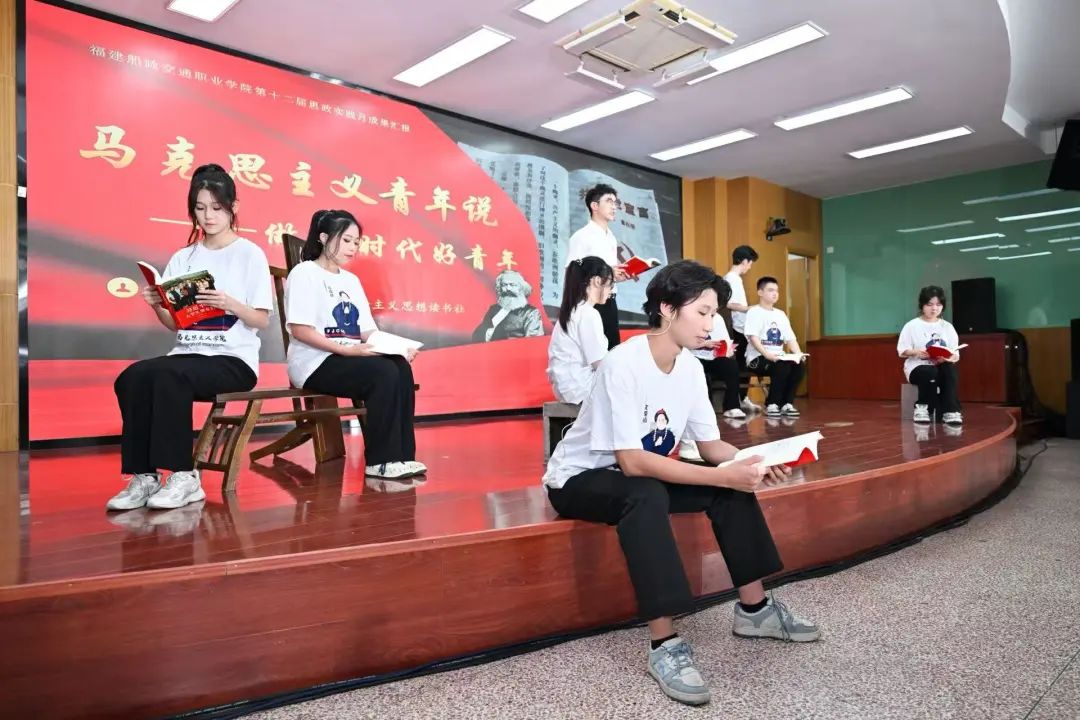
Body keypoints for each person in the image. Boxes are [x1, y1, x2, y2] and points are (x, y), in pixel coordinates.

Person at [543, 260, 820, 707]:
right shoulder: (622, 363)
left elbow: (710, 446)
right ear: (668, 309)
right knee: (646, 492)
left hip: (636, 472)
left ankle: (755, 610)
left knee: (727, 486)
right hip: (579, 479)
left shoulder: (690, 368)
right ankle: (664, 643)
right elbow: (632, 462)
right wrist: (721, 473)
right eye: (703, 312)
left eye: (714, 314)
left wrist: (755, 461)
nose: (711, 324)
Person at [107, 163, 274, 512]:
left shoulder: (250, 254)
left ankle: (185, 476)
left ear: (233, 207)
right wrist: (158, 304)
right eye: (200, 208)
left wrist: (229, 303)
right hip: (187, 354)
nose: (208, 216)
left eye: (216, 207)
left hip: (233, 360)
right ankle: (144, 476)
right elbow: (175, 324)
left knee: (170, 377)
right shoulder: (184, 257)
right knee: (132, 377)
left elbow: (261, 318)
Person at [285, 209, 426, 480]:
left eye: (356, 242)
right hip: (315, 361)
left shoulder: (351, 280)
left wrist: (397, 348)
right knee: (382, 373)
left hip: (348, 356)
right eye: (346, 240)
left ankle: (402, 457)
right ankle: (381, 462)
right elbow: (301, 330)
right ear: (324, 238)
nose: (353, 248)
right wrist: (346, 350)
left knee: (399, 366)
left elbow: (367, 331)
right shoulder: (304, 273)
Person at [566, 183, 632, 349]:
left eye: (615, 202)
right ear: (594, 206)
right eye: (609, 201)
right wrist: (608, 273)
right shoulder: (581, 236)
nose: (614, 206)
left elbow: (607, 273)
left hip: (610, 300)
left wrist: (617, 276)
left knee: (612, 350)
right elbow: (572, 271)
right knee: (594, 352)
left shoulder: (611, 237)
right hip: (590, 302)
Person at [546, 256, 614, 404]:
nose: (611, 291)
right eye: (610, 283)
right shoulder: (588, 314)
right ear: (597, 281)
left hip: (569, 388)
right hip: (581, 389)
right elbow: (600, 363)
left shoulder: (575, 310)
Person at [897, 285, 962, 424]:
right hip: (917, 366)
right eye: (929, 304)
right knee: (929, 372)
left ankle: (950, 411)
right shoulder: (912, 325)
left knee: (949, 371)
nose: (934, 308)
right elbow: (902, 350)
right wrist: (916, 352)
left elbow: (955, 353)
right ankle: (922, 408)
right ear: (922, 305)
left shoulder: (947, 327)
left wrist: (947, 358)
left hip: (941, 364)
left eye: (938, 304)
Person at [744, 276, 806, 417]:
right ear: (760, 292)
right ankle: (772, 404)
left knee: (798, 366)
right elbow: (753, 338)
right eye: (770, 290)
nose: (775, 294)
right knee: (781, 366)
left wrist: (798, 354)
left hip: (778, 356)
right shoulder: (754, 312)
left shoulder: (780, 314)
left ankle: (787, 403)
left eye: (776, 291)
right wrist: (767, 355)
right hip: (758, 357)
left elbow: (790, 338)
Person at [723, 244, 760, 413]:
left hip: (742, 327)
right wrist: (750, 308)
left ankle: (743, 398)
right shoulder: (731, 279)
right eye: (750, 263)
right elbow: (728, 304)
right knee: (739, 367)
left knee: (744, 365)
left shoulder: (736, 279)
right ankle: (738, 399)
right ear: (744, 261)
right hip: (736, 328)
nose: (750, 267)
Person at [691, 307, 745, 419]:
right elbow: (682, 343)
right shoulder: (690, 316)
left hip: (713, 357)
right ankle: (705, 410)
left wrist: (728, 349)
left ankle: (732, 407)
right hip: (693, 357)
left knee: (731, 366)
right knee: (698, 369)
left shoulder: (718, 318)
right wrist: (704, 344)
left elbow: (724, 340)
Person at [471, 269, 544, 342]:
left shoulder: (531, 313)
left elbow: (534, 342)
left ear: (521, 288)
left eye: (512, 285)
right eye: (504, 285)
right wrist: (489, 333)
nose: (508, 289)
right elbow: (478, 335)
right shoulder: (493, 309)